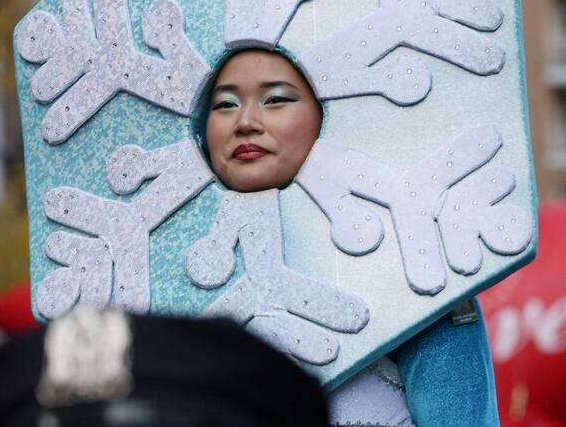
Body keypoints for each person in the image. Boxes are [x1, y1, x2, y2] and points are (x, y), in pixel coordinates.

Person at [201, 48, 500, 427]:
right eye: (225, 104)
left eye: (275, 99)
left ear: (328, 111)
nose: (245, 122)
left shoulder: (421, 273)